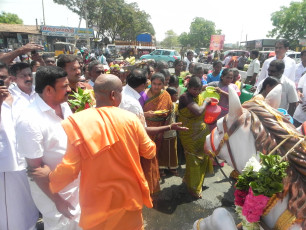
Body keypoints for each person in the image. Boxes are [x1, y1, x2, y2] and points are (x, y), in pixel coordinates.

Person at [28, 74, 156, 230]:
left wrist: (49, 179)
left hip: (96, 200)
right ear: (114, 95)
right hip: (128, 195)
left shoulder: (79, 121)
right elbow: (149, 151)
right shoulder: (131, 119)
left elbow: (70, 168)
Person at [15, 66, 81, 229]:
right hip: (55, 196)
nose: (68, 89)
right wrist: (58, 201)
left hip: (75, 188)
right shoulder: (30, 121)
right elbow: (35, 169)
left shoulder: (63, 106)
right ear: (49, 90)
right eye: (64, 86)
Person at [0, 62, 39, 230]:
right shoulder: (9, 99)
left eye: (4, 78)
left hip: (23, 158)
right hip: (6, 165)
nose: (3, 82)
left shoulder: (10, 97)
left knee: (27, 207)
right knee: (11, 213)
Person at [178, 77, 213, 199]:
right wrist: (206, 102)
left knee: (202, 157)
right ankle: (194, 188)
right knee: (193, 158)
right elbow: (198, 111)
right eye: (194, 89)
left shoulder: (198, 95)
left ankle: (191, 181)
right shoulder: (185, 97)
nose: (197, 92)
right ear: (188, 87)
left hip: (201, 131)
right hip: (189, 133)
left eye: (199, 89)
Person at [142, 73, 173, 194]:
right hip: (145, 129)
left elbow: (169, 112)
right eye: (154, 84)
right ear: (150, 82)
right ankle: (145, 179)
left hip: (159, 129)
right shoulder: (143, 94)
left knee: (155, 153)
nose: (156, 87)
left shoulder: (165, 95)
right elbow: (137, 113)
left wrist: (163, 129)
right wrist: (146, 115)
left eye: (159, 84)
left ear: (164, 84)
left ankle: (154, 176)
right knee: (144, 154)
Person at [159, 87, 179, 176]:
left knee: (173, 149)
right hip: (164, 130)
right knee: (163, 150)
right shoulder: (163, 105)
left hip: (173, 130)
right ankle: (161, 168)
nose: (177, 96)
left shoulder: (175, 105)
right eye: (175, 95)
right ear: (169, 96)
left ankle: (172, 167)